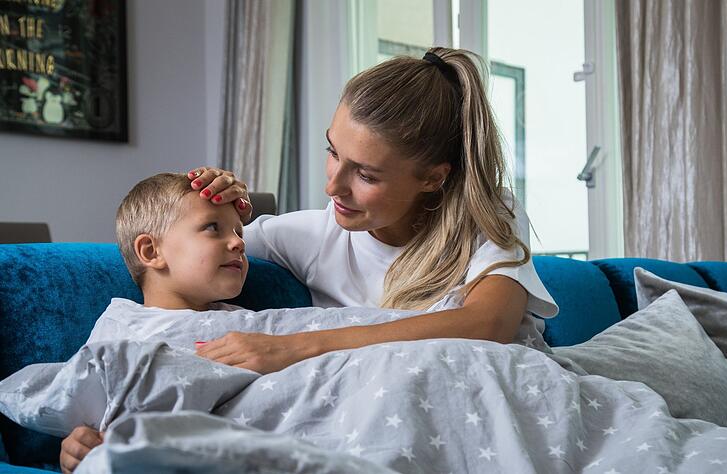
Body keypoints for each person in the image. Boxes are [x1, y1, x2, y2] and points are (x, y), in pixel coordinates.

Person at [190, 47, 558, 375]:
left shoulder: (488, 214)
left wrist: (296, 347)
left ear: (432, 178)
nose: (332, 187)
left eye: (366, 175)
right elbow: (180, 248)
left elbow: (489, 324)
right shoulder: (310, 237)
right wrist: (216, 207)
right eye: (333, 152)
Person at [60, 172, 248, 474]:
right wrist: (76, 447)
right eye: (213, 227)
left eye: (240, 232)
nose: (238, 242)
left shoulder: (245, 322)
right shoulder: (122, 327)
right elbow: (91, 415)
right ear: (151, 251)